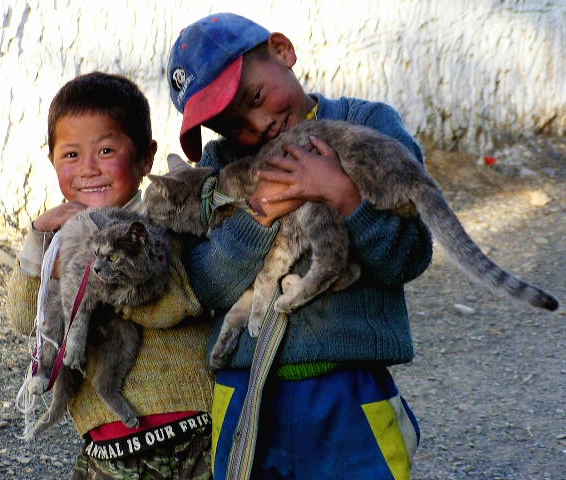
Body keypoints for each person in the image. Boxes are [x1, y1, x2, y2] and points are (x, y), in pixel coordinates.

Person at [167, 13, 433, 480]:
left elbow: (408, 256)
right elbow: (205, 283)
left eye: (254, 98)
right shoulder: (220, 167)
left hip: (349, 393)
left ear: (283, 50)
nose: (258, 125)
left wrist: (346, 198)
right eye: (234, 125)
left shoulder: (366, 125)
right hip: (246, 393)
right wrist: (259, 216)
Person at [6, 71, 214, 479]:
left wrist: (90, 277)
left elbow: (173, 303)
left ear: (145, 158)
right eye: (70, 156)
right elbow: (24, 317)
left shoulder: (159, 225)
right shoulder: (65, 237)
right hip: (105, 449)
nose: (88, 170)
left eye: (105, 151)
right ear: (52, 162)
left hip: (190, 435)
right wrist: (38, 243)